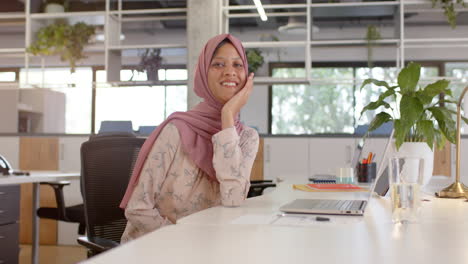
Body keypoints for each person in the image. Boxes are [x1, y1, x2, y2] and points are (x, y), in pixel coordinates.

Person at [119, 34, 259, 242]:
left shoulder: (247, 137)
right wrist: (183, 241)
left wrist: (227, 116)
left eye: (238, 65)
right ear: (203, 73)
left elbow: (233, 198)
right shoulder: (176, 130)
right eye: (218, 64)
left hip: (207, 247)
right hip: (154, 247)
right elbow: (138, 209)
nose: (230, 71)